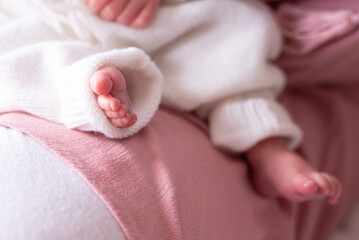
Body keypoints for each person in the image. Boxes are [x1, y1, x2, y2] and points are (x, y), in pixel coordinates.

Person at [0, 0, 341, 204]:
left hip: (156, 22)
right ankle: (87, 89)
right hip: (43, 16)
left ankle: (264, 142)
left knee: (239, 26)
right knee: (18, 51)